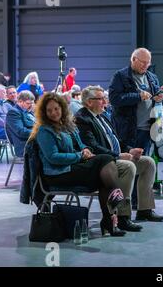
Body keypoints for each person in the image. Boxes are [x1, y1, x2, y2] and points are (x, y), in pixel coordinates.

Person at [29, 93, 128, 237]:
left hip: (73, 168)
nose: (53, 113)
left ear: (62, 108)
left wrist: (85, 150)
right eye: (49, 111)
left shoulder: (69, 125)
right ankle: (115, 196)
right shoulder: (44, 130)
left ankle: (108, 222)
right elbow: (53, 157)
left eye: (56, 109)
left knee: (103, 175)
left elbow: (80, 145)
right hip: (58, 174)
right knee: (105, 159)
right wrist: (79, 156)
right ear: (44, 113)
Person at [75, 86, 163, 226]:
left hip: (115, 157)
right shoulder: (82, 119)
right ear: (88, 102)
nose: (105, 101)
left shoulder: (103, 116)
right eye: (100, 99)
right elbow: (93, 147)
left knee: (148, 162)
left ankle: (145, 209)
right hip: (102, 164)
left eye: (104, 98)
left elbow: (117, 140)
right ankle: (123, 216)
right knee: (128, 166)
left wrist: (130, 151)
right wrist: (118, 156)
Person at [109, 47, 163, 154]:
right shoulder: (120, 76)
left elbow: (156, 101)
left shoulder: (152, 77)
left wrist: (160, 99)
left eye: (148, 63)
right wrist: (138, 96)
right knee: (130, 164)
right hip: (128, 130)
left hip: (148, 130)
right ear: (134, 59)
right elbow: (114, 99)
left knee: (145, 165)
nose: (146, 65)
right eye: (143, 62)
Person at [5, 91, 36, 157]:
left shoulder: (29, 112)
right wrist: (39, 132)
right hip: (25, 145)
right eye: (28, 103)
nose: (31, 105)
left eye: (32, 103)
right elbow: (21, 132)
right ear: (20, 101)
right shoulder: (13, 112)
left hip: (34, 141)